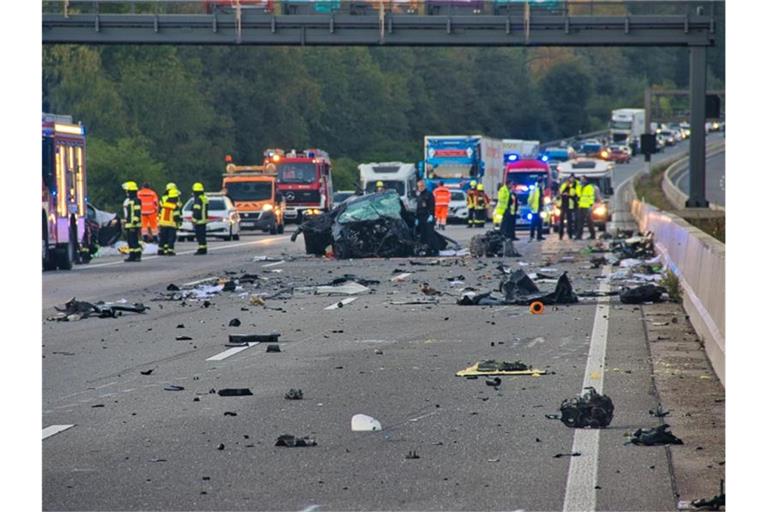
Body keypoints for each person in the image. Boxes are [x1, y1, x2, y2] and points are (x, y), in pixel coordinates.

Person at [121, 181, 142, 262]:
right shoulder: (130, 200)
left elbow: (137, 211)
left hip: (133, 224)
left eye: (127, 190)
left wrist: (135, 221)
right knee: (130, 241)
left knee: (134, 241)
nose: (126, 192)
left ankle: (137, 255)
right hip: (129, 224)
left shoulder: (136, 200)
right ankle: (132, 255)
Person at [415, 179, 438, 252]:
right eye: (419, 186)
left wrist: (431, 215)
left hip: (427, 217)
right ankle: (424, 248)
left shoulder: (429, 194)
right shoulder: (419, 195)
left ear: (424, 186)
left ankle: (432, 249)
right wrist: (417, 218)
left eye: (421, 186)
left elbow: (432, 206)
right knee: (423, 234)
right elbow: (418, 208)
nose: (420, 188)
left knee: (429, 234)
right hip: (421, 217)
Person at [158, 188, 181, 256]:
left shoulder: (164, 204)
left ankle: (161, 250)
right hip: (171, 224)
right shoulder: (174, 206)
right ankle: (170, 251)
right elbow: (176, 217)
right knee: (171, 238)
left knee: (163, 238)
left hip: (163, 224)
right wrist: (179, 222)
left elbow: (160, 213)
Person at [495, 175, 519, 240]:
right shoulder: (504, 190)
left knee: (508, 224)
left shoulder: (508, 190)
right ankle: (503, 236)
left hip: (508, 209)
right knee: (504, 224)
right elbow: (502, 199)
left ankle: (508, 236)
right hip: (503, 209)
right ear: (508, 184)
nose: (512, 185)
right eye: (511, 184)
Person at [558, 174, 580, 240]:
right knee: (561, 220)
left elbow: (577, 194)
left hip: (570, 205)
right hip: (563, 204)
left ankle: (570, 234)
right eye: (570, 178)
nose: (571, 180)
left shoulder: (576, 186)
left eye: (572, 178)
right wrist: (564, 192)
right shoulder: (564, 185)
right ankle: (561, 234)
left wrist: (569, 195)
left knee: (570, 221)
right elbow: (560, 192)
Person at [576, 175, 597, 240]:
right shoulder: (580, 186)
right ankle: (579, 236)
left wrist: (591, 204)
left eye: (582, 179)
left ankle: (593, 235)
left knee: (589, 221)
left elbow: (591, 196)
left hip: (587, 206)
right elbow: (578, 194)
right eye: (580, 179)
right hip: (581, 206)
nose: (581, 180)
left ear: (586, 180)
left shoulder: (589, 187)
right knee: (580, 222)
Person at [191, 182, 209, 255]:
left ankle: (201, 249)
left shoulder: (198, 199)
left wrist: (194, 220)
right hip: (204, 220)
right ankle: (203, 248)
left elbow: (197, 210)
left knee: (199, 236)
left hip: (199, 220)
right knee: (202, 236)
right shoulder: (204, 198)